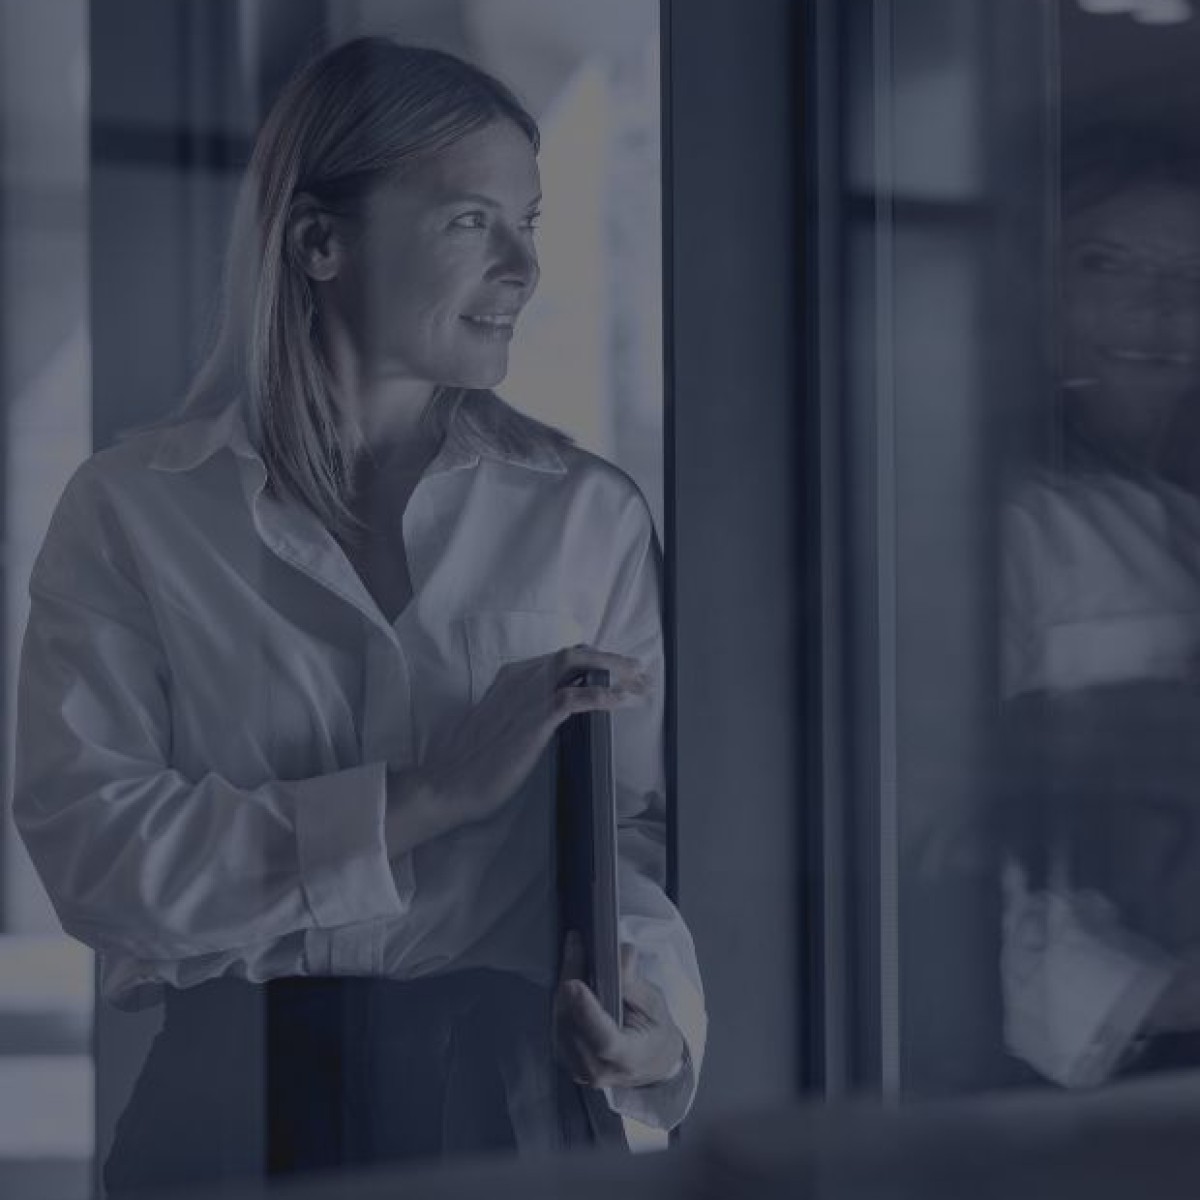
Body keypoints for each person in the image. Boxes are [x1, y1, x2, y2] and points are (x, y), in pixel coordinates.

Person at [12, 38, 705, 1194]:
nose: (524, 266)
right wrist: (422, 797)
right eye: (473, 221)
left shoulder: (587, 517)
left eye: (530, 222)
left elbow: (641, 836)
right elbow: (99, 856)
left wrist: (656, 1023)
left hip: (515, 1102)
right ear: (318, 243)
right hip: (226, 1109)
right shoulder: (132, 513)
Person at [999, 124, 1200, 1087]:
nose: (1160, 308)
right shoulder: (1001, 528)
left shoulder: (1173, 514)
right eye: (1110, 263)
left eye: (1193, 274)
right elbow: (925, 838)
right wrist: (1153, 999)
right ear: (1035, 290)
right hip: (1100, 1071)